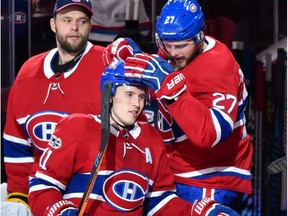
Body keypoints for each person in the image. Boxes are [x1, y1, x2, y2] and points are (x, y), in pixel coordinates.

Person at [28, 62, 239, 216]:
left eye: (140, 96)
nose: (136, 104)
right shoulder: (77, 127)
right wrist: (58, 212)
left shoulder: (152, 140)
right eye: (129, 94)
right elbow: (43, 185)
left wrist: (198, 211)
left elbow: (160, 204)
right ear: (108, 94)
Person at [102, 0, 253, 214]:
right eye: (166, 44)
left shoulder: (219, 67)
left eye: (180, 46)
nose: (173, 53)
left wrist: (172, 90)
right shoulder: (177, 49)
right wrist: (133, 59)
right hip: (175, 170)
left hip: (210, 179)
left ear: (200, 36)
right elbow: (160, 82)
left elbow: (212, 133)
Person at [2, 0, 106, 214]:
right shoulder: (29, 72)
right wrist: (19, 194)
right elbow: (17, 143)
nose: (74, 27)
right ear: (53, 24)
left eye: (81, 21)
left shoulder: (108, 65)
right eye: (67, 20)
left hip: (93, 189)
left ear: (90, 26)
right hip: (38, 188)